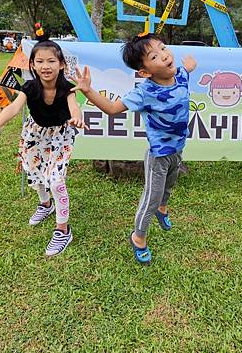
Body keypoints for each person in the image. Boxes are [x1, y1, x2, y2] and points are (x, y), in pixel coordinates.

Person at [70, 33, 197, 264]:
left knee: (170, 185)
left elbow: (185, 72)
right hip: (159, 156)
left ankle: (163, 208)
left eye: (163, 48)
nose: (165, 55)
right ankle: (138, 237)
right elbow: (111, 108)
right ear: (145, 72)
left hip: (178, 149)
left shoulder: (179, 75)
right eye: (154, 56)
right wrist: (88, 90)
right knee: (151, 197)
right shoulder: (144, 93)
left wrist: (189, 67)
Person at [0, 40, 87, 256]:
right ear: (32, 65)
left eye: (51, 61)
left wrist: (77, 118)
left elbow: (74, 106)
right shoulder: (30, 87)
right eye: (39, 61)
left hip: (60, 135)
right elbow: (14, 107)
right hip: (34, 133)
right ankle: (45, 205)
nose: (45, 66)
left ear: (61, 64)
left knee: (56, 180)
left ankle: (63, 230)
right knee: (34, 172)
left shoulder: (67, 87)